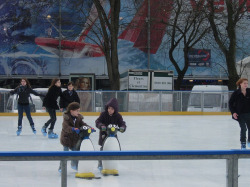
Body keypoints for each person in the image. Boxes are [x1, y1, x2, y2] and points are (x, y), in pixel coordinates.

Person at [58, 102, 92, 172]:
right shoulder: (66, 118)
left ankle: (74, 165)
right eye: (77, 111)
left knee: (75, 153)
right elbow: (66, 127)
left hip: (74, 139)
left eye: (79, 110)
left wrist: (89, 127)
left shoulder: (78, 117)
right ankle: (61, 167)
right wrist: (73, 129)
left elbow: (83, 124)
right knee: (65, 154)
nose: (78, 112)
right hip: (66, 139)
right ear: (71, 111)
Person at [95, 98, 127, 169]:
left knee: (115, 148)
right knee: (103, 149)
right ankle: (100, 164)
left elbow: (122, 123)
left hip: (113, 136)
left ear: (115, 109)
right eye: (109, 108)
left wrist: (122, 127)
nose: (110, 110)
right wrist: (101, 126)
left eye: (112, 109)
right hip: (104, 135)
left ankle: (113, 164)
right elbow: (97, 121)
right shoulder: (103, 114)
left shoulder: (118, 116)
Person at [229, 78, 250, 150]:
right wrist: (233, 112)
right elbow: (230, 103)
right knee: (244, 128)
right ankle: (243, 143)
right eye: (244, 83)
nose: (246, 85)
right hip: (240, 114)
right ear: (240, 84)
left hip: (249, 113)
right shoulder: (236, 93)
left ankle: (249, 141)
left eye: (247, 83)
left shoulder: (249, 91)